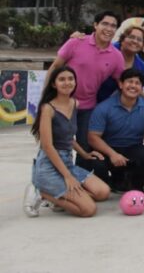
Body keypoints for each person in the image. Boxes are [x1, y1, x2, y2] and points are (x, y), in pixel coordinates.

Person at [23, 66, 110, 218]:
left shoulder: (74, 103)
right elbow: (47, 146)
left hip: (67, 162)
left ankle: (58, 197)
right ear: (53, 84)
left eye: (70, 79)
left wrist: (85, 153)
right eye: (62, 79)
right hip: (49, 165)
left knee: (103, 192)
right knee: (88, 210)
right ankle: (41, 192)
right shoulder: (48, 108)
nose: (67, 82)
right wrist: (67, 176)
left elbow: (68, 137)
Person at [46, 11, 124, 158]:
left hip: (87, 108)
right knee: (57, 145)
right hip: (61, 104)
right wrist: (45, 97)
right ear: (95, 25)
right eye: (105, 24)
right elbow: (55, 67)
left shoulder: (116, 56)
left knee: (86, 148)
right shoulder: (76, 42)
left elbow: (124, 83)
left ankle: (83, 179)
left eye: (113, 26)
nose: (108, 28)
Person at [86, 68, 144, 193]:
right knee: (96, 163)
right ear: (121, 84)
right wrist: (112, 154)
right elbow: (93, 137)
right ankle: (112, 182)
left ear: (141, 88)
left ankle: (135, 184)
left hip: (132, 148)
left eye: (137, 83)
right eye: (130, 82)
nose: (133, 86)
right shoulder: (104, 107)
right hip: (108, 149)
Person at [96, 26, 144, 103]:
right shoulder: (107, 51)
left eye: (139, 40)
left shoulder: (142, 68)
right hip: (94, 103)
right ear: (122, 40)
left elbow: (137, 90)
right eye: (131, 37)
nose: (135, 41)